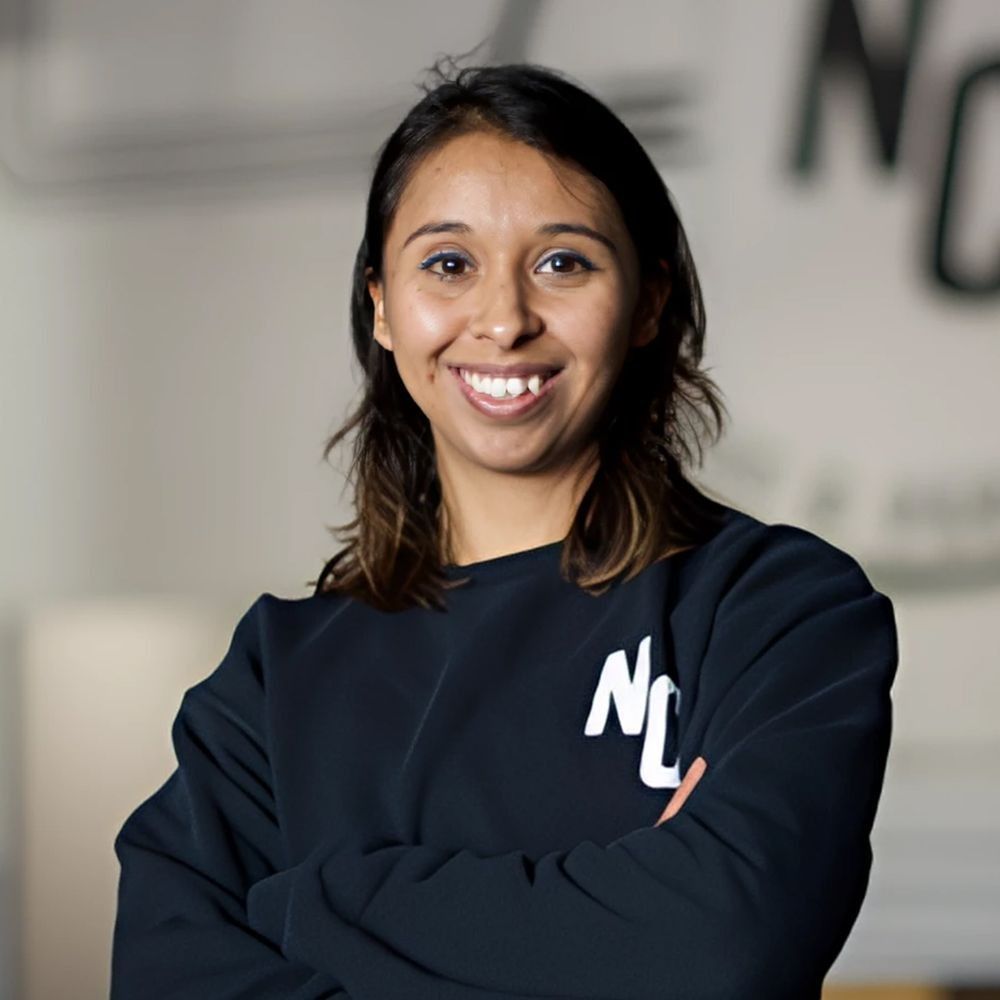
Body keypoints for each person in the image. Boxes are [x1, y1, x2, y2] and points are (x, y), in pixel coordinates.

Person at [110, 60, 899, 1000]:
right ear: (383, 309)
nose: (504, 319)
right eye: (448, 264)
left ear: (647, 301)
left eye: (564, 262)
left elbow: (720, 946)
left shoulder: (776, 610)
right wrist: (612, 928)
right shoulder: (274, 678)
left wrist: (311, 904)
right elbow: (166, 977)